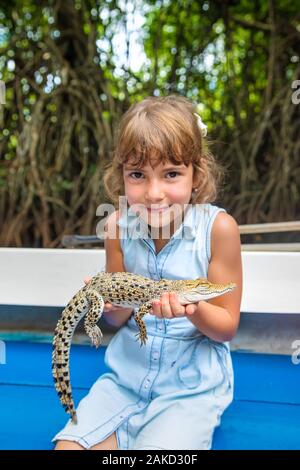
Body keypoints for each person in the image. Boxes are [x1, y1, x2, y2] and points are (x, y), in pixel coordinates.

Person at [53, 95, 242, 450]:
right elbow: (119, 319)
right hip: (124, 380)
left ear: (196, 175)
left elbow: (226, 327)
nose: (154, 194)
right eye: (138, 175)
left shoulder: (219, 229)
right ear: (121, 175)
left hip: (188, 390)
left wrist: (192, 308)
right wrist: (109, 306)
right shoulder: (116, 227)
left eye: (171, 174)